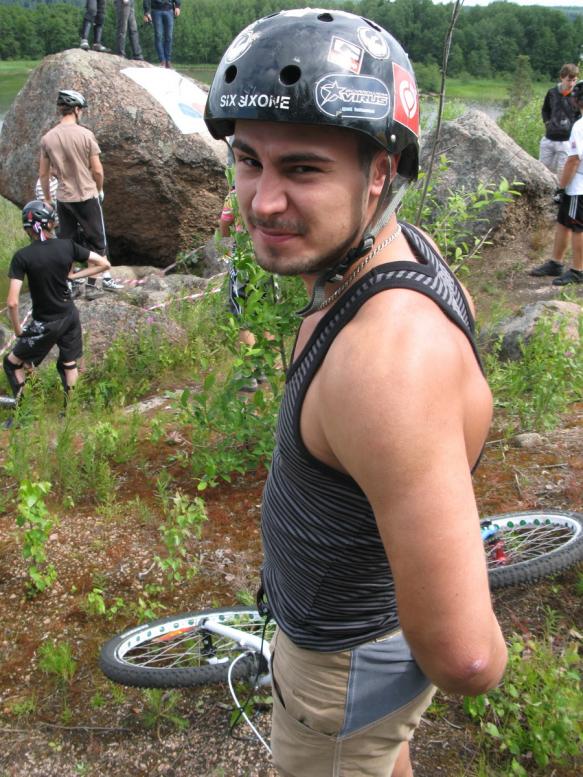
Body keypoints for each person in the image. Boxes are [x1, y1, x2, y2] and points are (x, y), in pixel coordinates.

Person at [205, 9, 507, 777]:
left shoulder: (385, 363)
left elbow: (467, 658)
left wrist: (420, 644)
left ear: (380, 173)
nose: (262, 201)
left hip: (340, 666)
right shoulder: (397, 252)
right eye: (248, 160)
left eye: (302, 169)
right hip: (359, 648)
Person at [3, 201, 110, 421]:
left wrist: (18, 330)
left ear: (27, 228)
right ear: (50, 224)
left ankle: (24, 415)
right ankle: (70, 415)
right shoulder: (67, 246)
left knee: (12, 363)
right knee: (69, 363)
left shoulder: (22, 257)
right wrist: (74, 276)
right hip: (70, 315)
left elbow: (12, 302)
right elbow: (103, 264)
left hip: (45, 322)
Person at [38, 90, 123, 299]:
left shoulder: (47, 138)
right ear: (76, 109)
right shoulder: (86, 135)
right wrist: (100, 189)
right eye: (81, 109)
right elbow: (98, 170)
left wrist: (47, 199)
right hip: (87, 195)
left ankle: (71, 285)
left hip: (63, 198)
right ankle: (93, 286)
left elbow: (43, 173)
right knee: (97, 242)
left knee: (67, 243)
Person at [530, 80, 583, 285]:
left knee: (578, 227)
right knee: (563, 221)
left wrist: (561, 187)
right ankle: (556, 262)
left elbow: (573, 160)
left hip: (578, 185)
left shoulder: (579, 126)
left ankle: (577, 270)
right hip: (577, 183)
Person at [538, 63, 580, 178]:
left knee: (562, 173)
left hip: (567, 141)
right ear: (562, 77)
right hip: (549, 138)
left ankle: (560, 190)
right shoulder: (552, 93)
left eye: (574, 80)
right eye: (569, 80)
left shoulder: (577, 96)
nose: (571, 84)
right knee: (542, 170)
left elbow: (579, 116)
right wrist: (547, 123)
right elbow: (545, 110)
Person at [143, 0, 180, 69]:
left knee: (169, 37)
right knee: (158, 36)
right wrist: (146, 12)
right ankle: (162, 61)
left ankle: (168, 61)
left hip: (169, 10)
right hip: (156, 10)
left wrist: (177, 6)